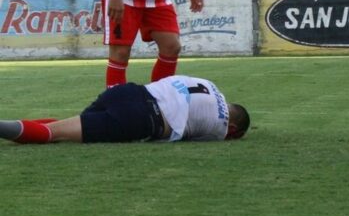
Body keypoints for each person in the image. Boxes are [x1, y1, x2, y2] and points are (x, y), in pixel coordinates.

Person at [0, 75, 250, 144]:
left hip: (127, 92)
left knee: (63, 128)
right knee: (56, 134)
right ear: (234, 128)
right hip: (139, 119)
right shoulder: (220, 128)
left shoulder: (210, 84)